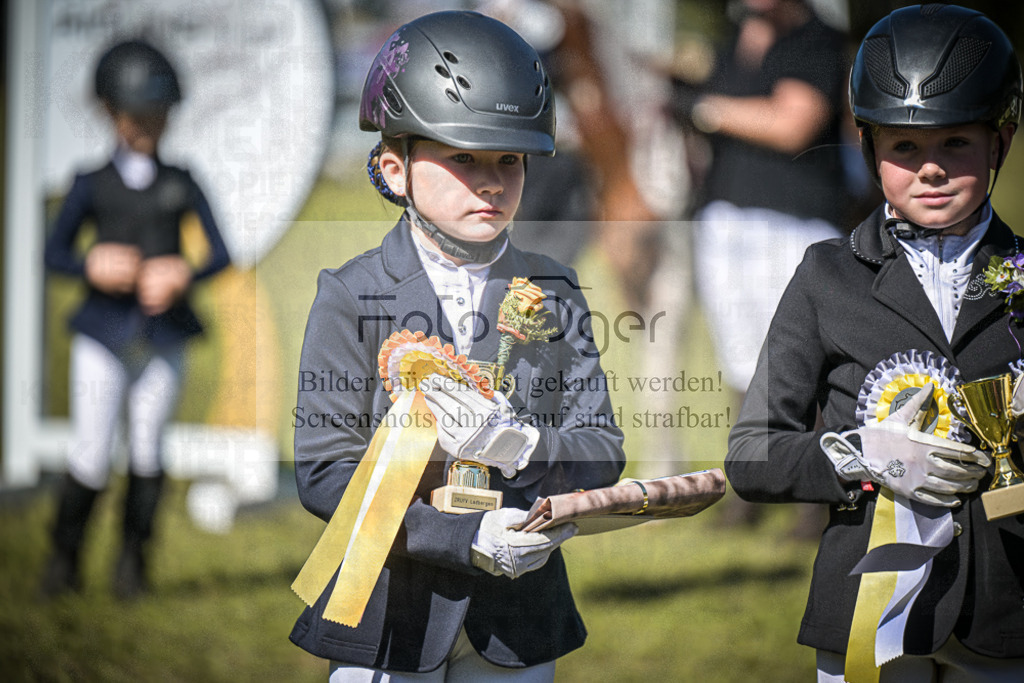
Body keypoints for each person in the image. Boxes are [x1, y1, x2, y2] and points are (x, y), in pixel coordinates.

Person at [288, 11, 625, 682]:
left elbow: (601, 450)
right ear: (396, 168)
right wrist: (464, 538)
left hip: (519, 616)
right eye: (463, 158)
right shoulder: (351, 293)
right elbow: (324, 472)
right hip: (391, 611)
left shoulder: (555, 290)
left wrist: (522, 449)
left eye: (509, 161)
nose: (492, 182)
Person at [725, 4, 1024, 681]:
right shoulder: (824, 276)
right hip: (866, 611)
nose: (931, 169)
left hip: (1005, 613)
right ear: (868, 145)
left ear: (999, 143)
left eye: (956, 143)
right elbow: (751, 454)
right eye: (905, 148)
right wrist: (860, 456)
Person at [42, 39, 231, 599]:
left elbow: (220, 252)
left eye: (158, 114)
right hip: (103, 333)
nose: (149, 125)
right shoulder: (90, 183)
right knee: (91, 451)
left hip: (162, 334)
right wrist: (91, 265)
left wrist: (183, 273)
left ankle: (133, 566)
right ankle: (64, 562)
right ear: (109, 112)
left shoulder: (182, 180)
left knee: (149, 449)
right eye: (137, 114)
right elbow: (53, 254)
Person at [670, 0, 850, 528]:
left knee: (802, 362)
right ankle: (751, 487)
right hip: (725, 215)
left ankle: (816, 500)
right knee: (739, 360)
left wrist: (703, 108)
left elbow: (793, 124)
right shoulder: (732, 42)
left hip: (792, 219)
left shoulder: (814, 39)